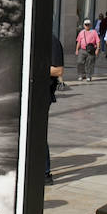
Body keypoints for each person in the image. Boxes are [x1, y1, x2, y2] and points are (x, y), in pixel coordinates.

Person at [45, 33, 64, 185]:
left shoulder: (52, 41)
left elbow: (58, 71)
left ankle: (45, 173)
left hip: (43, 94)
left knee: (37, 134)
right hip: (29, 94)